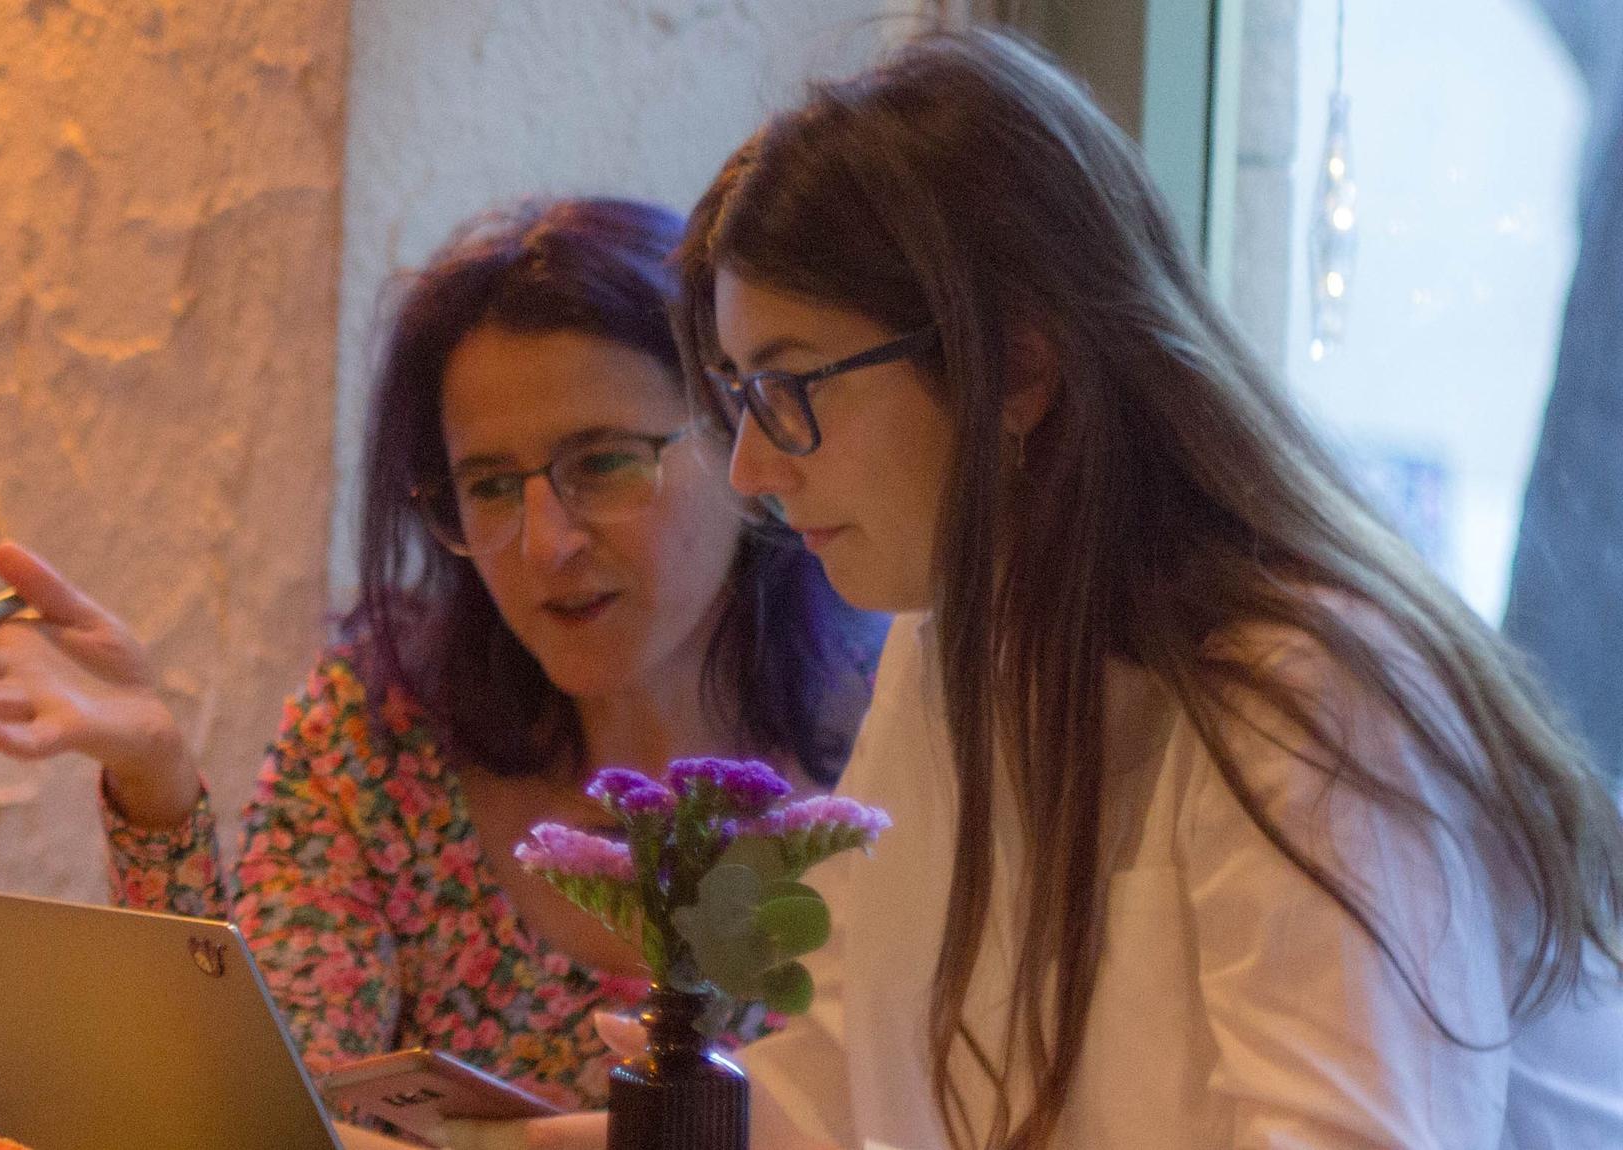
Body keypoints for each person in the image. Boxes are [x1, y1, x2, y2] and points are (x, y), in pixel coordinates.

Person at [467, 28, 1623, 1149]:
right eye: (741, 398)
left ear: (1017, 366)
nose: (753, 471)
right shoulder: (949, 640)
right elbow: (850, 1087)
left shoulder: (1301, 691)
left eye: (790, 390)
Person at [0, 198, 879, 1108]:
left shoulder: (893, 746)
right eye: (489, 486)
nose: (545, 542)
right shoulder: (382, 732)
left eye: (604, 463)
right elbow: (253, 1108)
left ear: (741, 445)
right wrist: (155, 787)